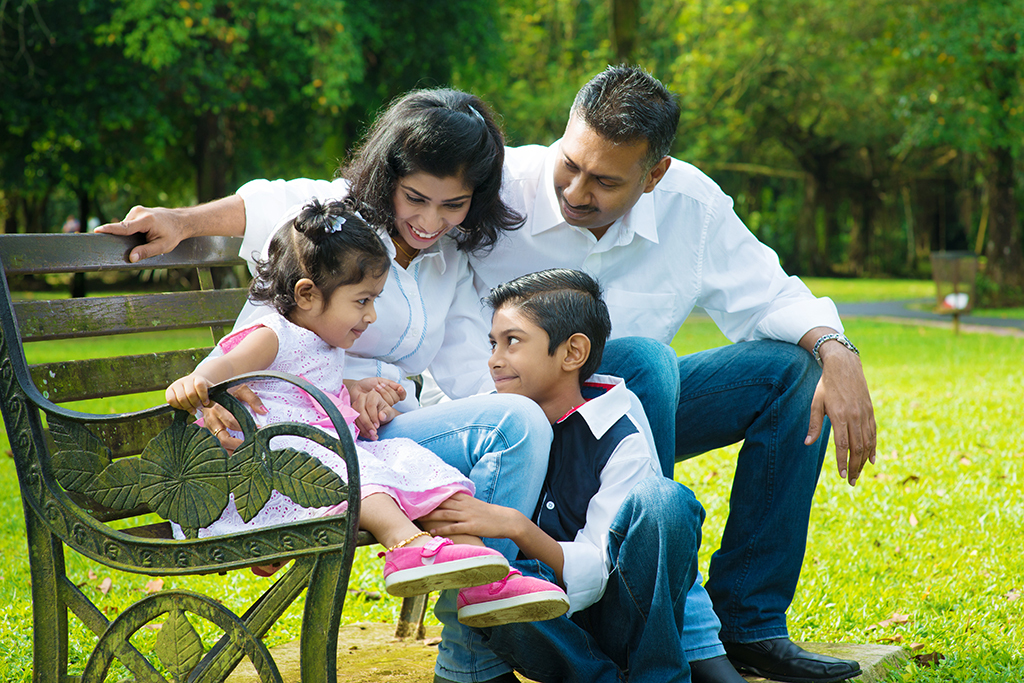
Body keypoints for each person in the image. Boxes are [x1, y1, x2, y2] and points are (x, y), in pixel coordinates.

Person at [98, 69, 875, 682]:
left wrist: (837, 350)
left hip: (564, 417)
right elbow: (282, 206)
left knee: (708, 370)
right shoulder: (407, 211)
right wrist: (181, 221)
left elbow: (769, 294)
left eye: (605, 181)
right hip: (370, 424)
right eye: (571, 163)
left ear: (654, 174)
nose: (576, 191)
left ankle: (723, 617)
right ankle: (600, 623)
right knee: (597, 386)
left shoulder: (473, 249)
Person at [101, 89, 556, 681]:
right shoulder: (335, 231)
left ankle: (485, 583)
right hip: (297, 438)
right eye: (416, 198)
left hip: (368, 431)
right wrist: (181, 222)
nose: (429, 221)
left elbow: (468, 369)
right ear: (388, 176)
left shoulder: (447, 258)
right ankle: (470, 635)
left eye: (453, 205)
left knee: (511, 424)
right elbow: (262, 208)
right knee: (512, 424)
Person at [164, 198, 570, 624]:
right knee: (362, 469)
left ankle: (486, 577)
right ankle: (406, 547)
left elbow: (302, 387)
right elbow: (225, 366)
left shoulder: (322, 343)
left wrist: (351, 388)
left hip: (322, 456)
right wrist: (198, 382)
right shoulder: (273, 334)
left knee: (414, 463)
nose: (371, 315)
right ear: (306, 294)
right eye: (362, 301)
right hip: (272, 469)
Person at [425, 268, 706, 682]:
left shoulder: (619, 434)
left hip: (620, 615)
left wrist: (515, 526)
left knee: (665, 500)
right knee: (495, 583)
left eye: (512, 341)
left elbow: (595, 570)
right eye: (493, 343)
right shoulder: (489, 428)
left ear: (573, 352)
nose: (494, 359)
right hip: (542, 625)